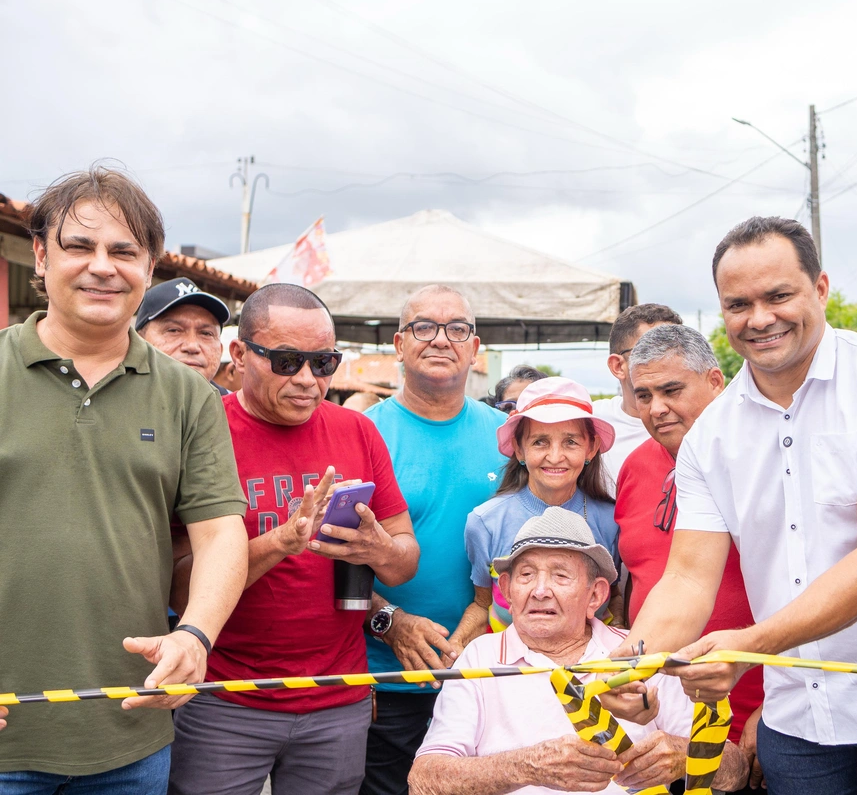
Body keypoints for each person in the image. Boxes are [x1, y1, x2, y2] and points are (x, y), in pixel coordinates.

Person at [623, 216, 857, 794]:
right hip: (798, 717)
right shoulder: (711, 435)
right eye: (739, 303)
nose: (760, 318)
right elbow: (689, 579)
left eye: (778, 295)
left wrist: (751, 645)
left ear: (819, 288)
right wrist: (635, 663)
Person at [0, 167, 248, 788]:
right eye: (79, 246)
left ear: (150, 265)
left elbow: (220, 534)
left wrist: (195, 635)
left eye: (123, 251)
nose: (102, 267)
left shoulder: (191, 397)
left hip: (132, 732)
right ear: (40, 255)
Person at [168, 283, 418, 795]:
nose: (308, 380)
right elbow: (176, 588)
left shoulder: (357, 431)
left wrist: (379, 549)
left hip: (336, 698)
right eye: (286, 361)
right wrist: (280, 541)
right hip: (224, 697)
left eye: (323, 363)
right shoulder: (203, 431)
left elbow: (403, 561)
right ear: (238, 355)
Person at [409, 508, 749, 795]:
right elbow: (422, 780)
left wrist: (685, 755)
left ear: (596, 596)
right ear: (507, 590)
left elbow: (736, 770)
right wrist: (528, 766)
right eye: (526, 575)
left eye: (560, 575)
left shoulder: (640, 651)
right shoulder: (480, 658)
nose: (540, 590)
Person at [361, 285, 509, 795]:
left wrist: (481, 625)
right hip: (387, 677)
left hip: (491, 675)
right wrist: (389, 622)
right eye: (424, 327)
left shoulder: (510, 439)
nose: (440, 340)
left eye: (457, 329)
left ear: (475, 347)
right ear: (400, 345)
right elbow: (329, 560)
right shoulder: (360, 434)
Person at [618, 323, 766, 787]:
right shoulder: (634, 466)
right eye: (643, 395)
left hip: (755, 724)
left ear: (715, 382)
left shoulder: (762, 457)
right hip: (659, 727)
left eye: (671, 390)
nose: (656, 408)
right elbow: (642, 583)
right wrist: (626, 670)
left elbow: (811, 585)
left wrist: (786, 699)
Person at [466, 377, 623, 633]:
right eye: (540, 441)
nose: (554, 457)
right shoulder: (485, 523)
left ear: (591, 448)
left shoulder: (611, 521)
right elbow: (482, 603)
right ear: (519, 449)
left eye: (571, 442)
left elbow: (613, 597)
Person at [591, 304, 683, 489]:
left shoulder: (703, 423)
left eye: (676, 351)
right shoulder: (591, 424)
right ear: (618, 366)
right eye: (649, 352)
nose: (666, 361)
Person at [135, 276, 230, 392]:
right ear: (138, 343)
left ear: (220, 349)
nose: (192, 346)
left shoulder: (231, 408)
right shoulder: (114, 403)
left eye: (206, 333)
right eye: (173, 330)